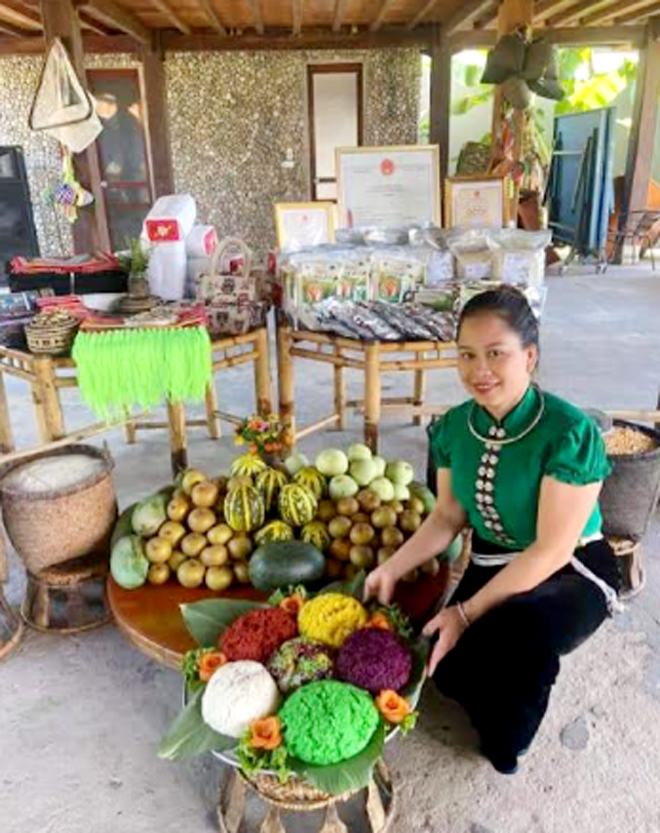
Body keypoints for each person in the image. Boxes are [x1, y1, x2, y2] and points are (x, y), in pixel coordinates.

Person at [364, 287, 621, 775]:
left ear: (530, 356)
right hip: (493, 558)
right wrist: (392, 567)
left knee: (519, 634)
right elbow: (447, 518)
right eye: (467, 355)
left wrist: (465, 611)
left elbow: (549, 549)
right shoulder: (455, 429)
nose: (479, 370)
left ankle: (512, 743)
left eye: (496, 354)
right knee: (449, 670)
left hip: (571, 566)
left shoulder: (569, 433)